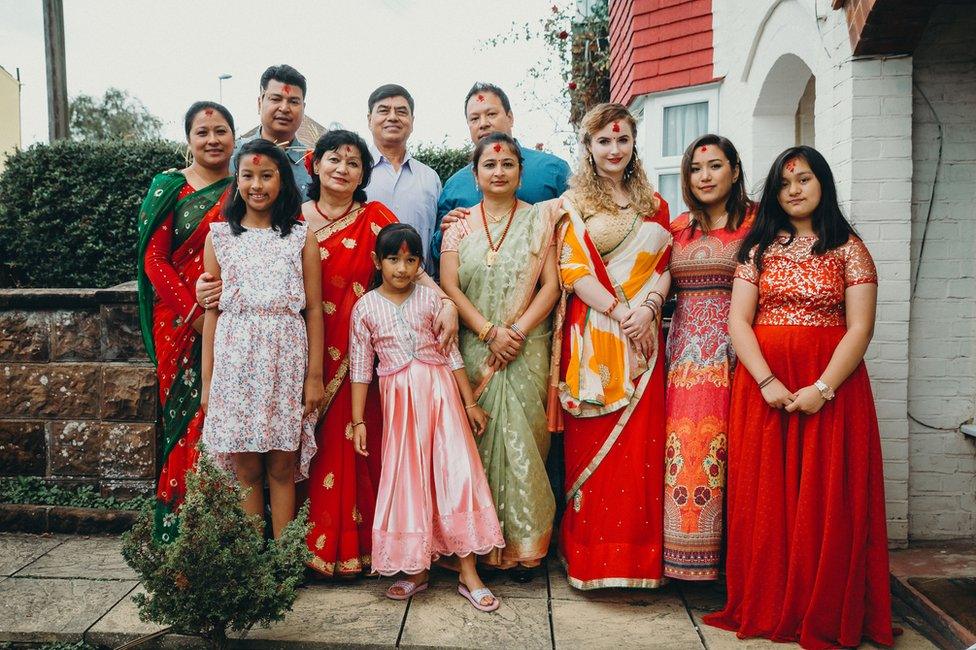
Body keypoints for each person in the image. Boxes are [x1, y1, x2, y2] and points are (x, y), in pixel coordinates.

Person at [703, 146, 893, 648]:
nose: (794, 190)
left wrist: (822, 389)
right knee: (766, 498)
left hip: (833, 389)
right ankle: (767, 599)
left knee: (826, 497)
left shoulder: (850, 249)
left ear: (823, 184)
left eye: (804, 179)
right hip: (764, 387)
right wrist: (767, 381)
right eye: (785, 183)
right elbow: (738, 322)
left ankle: (820, 605)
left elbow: (860, 328)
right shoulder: (757, 249)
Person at [350, 223, 504, 611]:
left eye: (410, 259)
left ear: (420, 263)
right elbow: (359, 369)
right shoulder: (365, 307)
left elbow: (452, 355)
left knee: (457, 475)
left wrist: (469, 403)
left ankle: (469, 573)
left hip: (441, 398)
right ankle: (415, 568)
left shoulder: (432, 302)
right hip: (400, 406)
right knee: (408, 480)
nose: (401, 268)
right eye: (393, 259)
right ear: (377, 261)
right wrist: (358, 421)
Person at [555, 103, 671, 590]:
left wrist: (647, 309)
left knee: (641, 451)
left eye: (622, 140)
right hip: (595, 338)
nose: (614, 149)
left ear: (633, 144)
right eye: (604, 140)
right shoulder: (574, 203)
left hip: (645, 337)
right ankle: (591, 559)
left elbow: (667, 266)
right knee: (594, 446)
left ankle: (639, 562)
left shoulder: (655, 204)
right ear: (588, 146)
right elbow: (573, 270)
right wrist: (621, 312)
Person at [440, 132, 562, 579]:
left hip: (526, 347)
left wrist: (515, 331)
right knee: (476, 441)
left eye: (508, 164)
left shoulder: (539, 221)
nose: (498, 172)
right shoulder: (457, 226)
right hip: (475, 347)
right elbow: (449, 287)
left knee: (525, 444)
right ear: (475, 175)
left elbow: (551, 284)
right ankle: (479, 545)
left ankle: (524, 546)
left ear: (520, 172)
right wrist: (489, 331)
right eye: (489, 166)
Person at [200, 138, 325, 539]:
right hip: (236, 363)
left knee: (282, 464)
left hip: (285, 358)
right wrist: (208, 383)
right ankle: (254, 563)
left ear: (282, 182)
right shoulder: (219, 237)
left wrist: (314, 376)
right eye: (248, 175)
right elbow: (212, 311)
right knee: (247, 467)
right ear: (236, 181)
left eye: (267, 175)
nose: (257, 185)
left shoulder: (300, 238)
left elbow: (314, 310)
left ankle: (285, 561)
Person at [137, 100, 236, 542]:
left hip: (235, 324)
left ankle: (224, 533)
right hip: (177, 324)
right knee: (185, 418)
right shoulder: (168, 187)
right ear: (189, 140)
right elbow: (154, 260)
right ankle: (178, 537)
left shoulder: (246, 187)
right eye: (203, 132)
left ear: (235, 137)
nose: (213, 140)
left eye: (221, 131)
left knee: (226, 421)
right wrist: (196, 316)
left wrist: (219, 320)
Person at [662, 134, 754, 581]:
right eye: (696, 170)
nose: (705, 176)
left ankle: (736, 570)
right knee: (685, 452)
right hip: (683, 359)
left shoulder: (758, 224)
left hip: (738, 356)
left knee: (736, 455)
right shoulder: (679, 228)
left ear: (734, 171)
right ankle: (684, 563)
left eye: (715, 167)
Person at [429, 82, 571, 273]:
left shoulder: (552, 170)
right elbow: (438, 254)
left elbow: (576, 233)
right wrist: (445, 232)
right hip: (472, 297)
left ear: (510, 117)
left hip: (544, 289)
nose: (483, 123)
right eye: (474, 118)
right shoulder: (455, 185)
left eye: (491, 114)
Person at [363, 84, 442, 265]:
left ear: (412, 121)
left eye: (401, 112)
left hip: (421, 287)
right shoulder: (353, 174)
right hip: (363, 288)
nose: (392, 117)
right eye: (383, 111)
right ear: (369, 119)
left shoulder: (430, 179)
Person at [232, 64, 312, 193]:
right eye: (276, 99)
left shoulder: (314, 163)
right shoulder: (232, 156)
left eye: (294, 102)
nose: (284, 108)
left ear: (304, 108)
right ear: (259, 103)